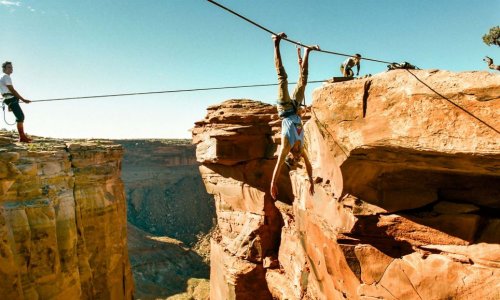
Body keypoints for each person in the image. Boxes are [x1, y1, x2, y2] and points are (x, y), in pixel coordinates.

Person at [270, 32, 317, 200]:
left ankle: (275, 42)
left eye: (295, 158)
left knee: (282, 78)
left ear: (291, 155)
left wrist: (273, 183)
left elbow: (278, 165)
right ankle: (307, 51)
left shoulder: (286, 147)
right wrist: (311, 180)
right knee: (303, 80)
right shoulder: (302, 148)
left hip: (284, 108)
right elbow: (309, 164)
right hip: (295, 107)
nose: (298, 157)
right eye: (299, 159)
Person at [0, 61, 32, 142]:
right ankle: (22, 137)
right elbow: (12, 90)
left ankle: (22, 137)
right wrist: (23, 99)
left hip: (7, 98)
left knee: (20, 116)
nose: (11, 69)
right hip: (11, 98)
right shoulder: (6, 77)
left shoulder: (1, 76)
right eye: (9, 67)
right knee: (20, 117)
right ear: (4, 69)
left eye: (11, 67)